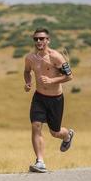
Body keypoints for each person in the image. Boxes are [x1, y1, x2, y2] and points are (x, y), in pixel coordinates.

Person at [24, 28, 75, 173]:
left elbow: (69, 76)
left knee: (55, 132)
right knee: (36, 126)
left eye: (42, 38)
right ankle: (40, 162)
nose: (39, 41)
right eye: (36, 39)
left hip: (55, 99)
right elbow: (27, 71)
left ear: (48, 40)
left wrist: (52, 80)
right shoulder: (30, 58)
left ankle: (68, 135)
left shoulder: (56, 57)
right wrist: (28, 83)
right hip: (39, 97)